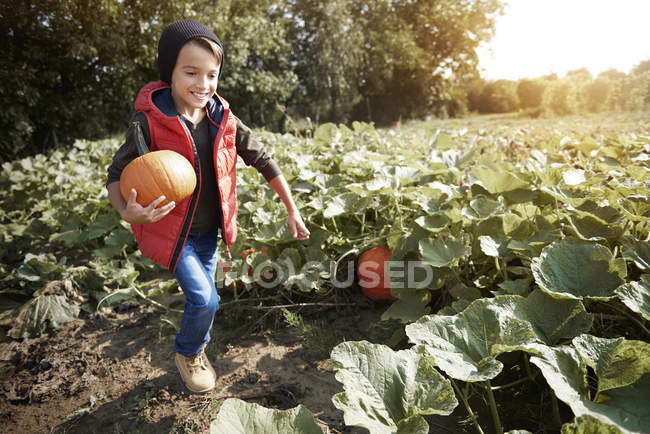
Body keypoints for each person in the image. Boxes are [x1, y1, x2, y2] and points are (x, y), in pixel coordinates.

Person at [105, 19, 310, 393]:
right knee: (205, 299)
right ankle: (188, 352)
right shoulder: (149, 122)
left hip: (209, 233)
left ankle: (197, 345)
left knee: (208, 300)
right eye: (191, 72)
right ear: (169, 72)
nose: (203, 84)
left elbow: (263, 160)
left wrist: (292, 209)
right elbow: (116, 172)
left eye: (212, 74)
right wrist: (125, 211)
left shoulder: (224, 119)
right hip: (171, 233)